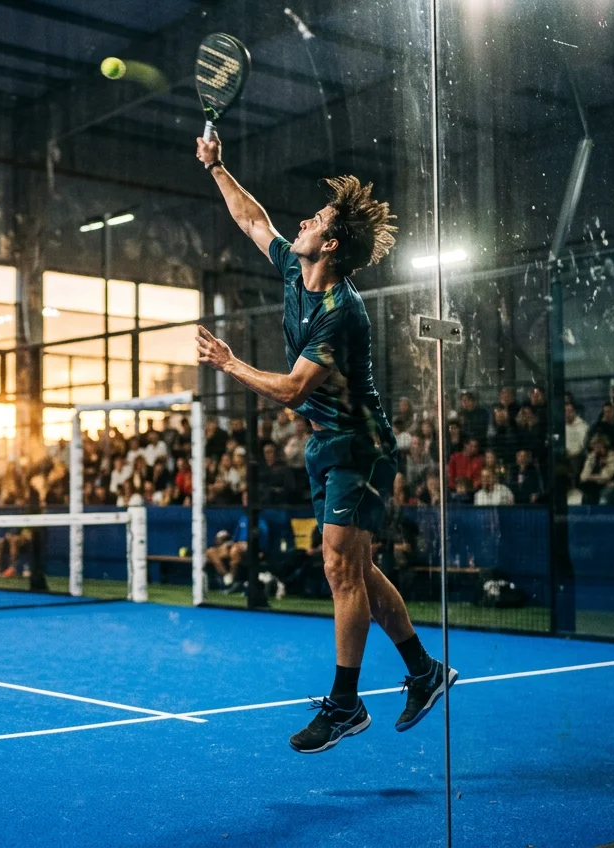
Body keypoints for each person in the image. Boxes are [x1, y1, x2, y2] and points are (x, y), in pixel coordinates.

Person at [194, 134, 454, 754]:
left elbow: (291, 389)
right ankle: (423, 671)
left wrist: (230, 364)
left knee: (340, 568)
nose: (303, 223)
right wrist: (217, 166)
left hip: (359, 446)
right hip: (326, 446)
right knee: (355, 568)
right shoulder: (294, 267)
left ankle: (344, 705)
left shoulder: (342, 311)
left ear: (330, 245)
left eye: (316, 220)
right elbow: (251, 220)